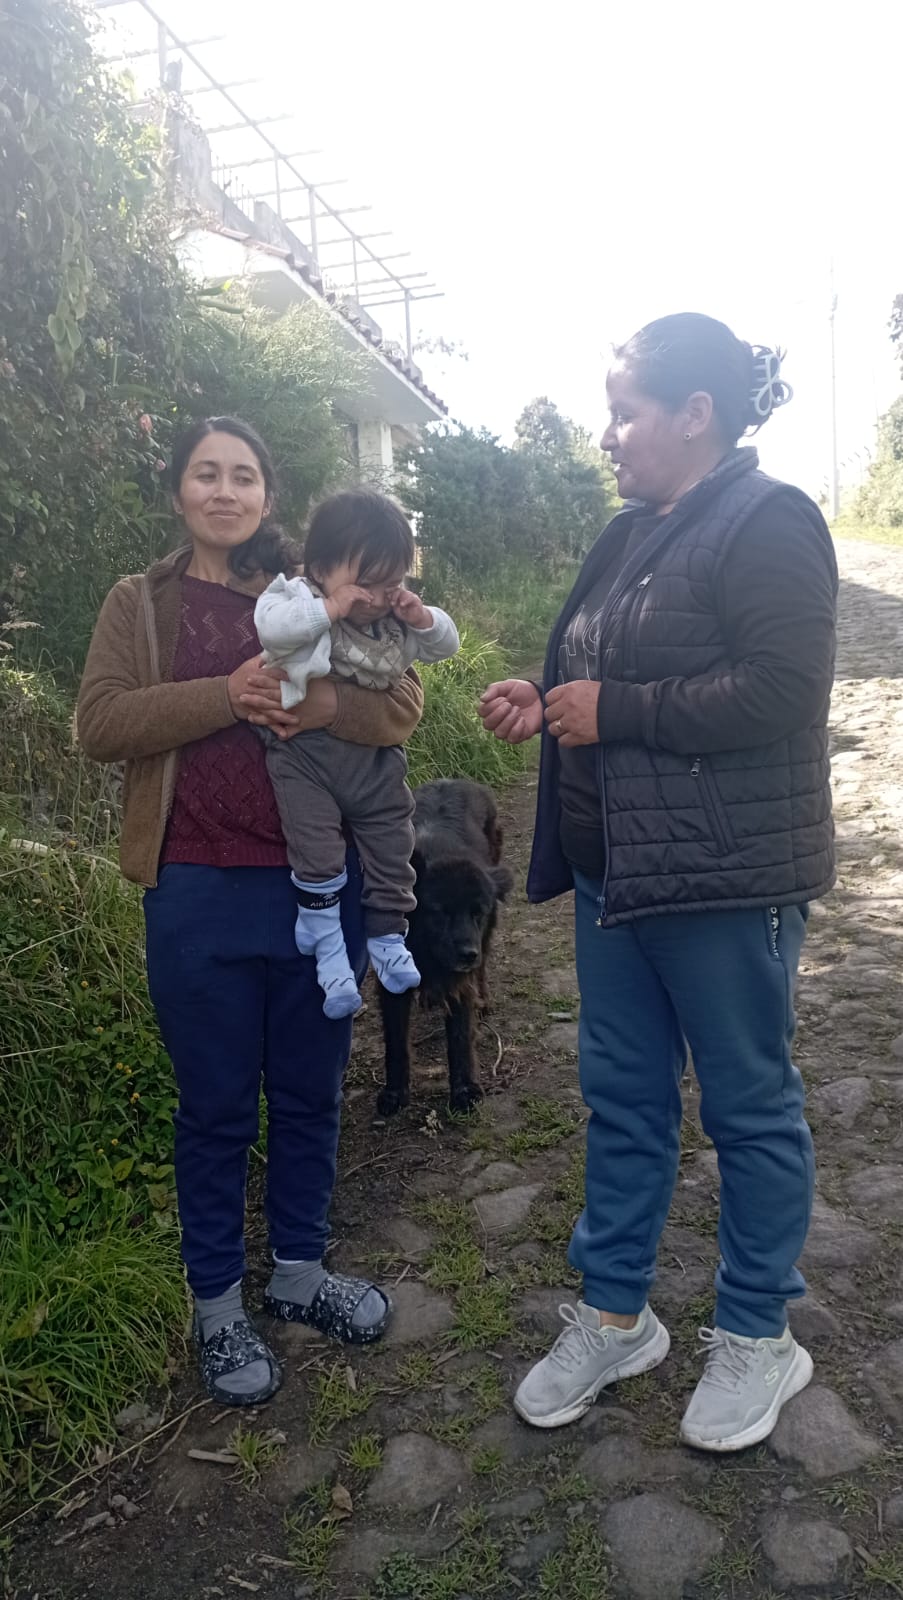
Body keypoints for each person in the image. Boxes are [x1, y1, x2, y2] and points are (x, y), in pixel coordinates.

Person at [480, 313, 837, 1452]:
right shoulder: (629, 531)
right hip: (615, 877)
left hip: (725, 880)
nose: (607, 434)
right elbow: (610, 671)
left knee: (748, 1107)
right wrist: (547, 698)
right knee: (624, 1101)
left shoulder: (770, 518)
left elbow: (783, 686)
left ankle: (758, 1331)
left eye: (623, 411)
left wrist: (619, 709)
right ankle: (615, 1315)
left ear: (695, 414)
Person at [77, 416, 424, 1407]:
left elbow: (402, 705)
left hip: (319, 886)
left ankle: (301, 1272)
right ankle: (219, 1303)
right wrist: (225, 694)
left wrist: (321, 708)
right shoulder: (140, 603)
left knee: (312, 1091)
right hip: (194, 887)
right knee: (217, 1106)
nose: (224, 491)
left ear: (268, 494)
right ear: (178, 490)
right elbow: (100, 721)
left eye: (243, 475)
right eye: (206, 474)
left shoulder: (318, 586)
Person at [254, 490, 459, 1020]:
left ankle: (389, 935)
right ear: (320, 569)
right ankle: (326, 946)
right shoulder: (293, 597)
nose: (378, 596)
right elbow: (274, 630)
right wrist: (331, 608)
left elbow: (445, 646)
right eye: (366, 582)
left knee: (395, 841)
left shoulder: (393, 621)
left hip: (373, 760)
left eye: (394, 581)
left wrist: (422, 616)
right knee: (316, 848)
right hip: (304, 757)